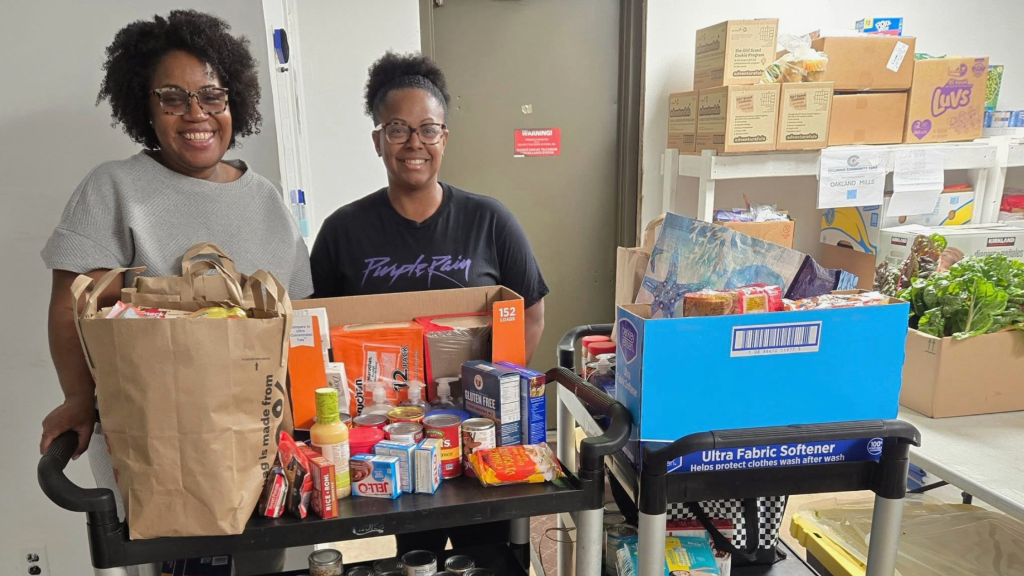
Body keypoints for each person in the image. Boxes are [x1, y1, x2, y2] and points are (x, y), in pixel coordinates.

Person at [39, 11, 310, 575]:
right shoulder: (114, 189)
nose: (196, 114)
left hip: (258, 441)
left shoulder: (268, 201)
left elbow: (300, 316)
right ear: (145, 105)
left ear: (235, 101)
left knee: (265, 564)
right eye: (173, 98)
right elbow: (72, 303)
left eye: (212, 95)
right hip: (157, 446)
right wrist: (76, 398)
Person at [309, 52, 549, 554]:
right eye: (397, 129)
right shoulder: (342, 232)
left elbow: (530, 310)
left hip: (476, 435)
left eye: (428, 129)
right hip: (386, 444)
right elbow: (316, 333)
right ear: (377, 140)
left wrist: (498, 397)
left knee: (488, 552)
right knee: (411, 554)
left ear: (445, 139)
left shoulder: (490, 220)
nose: (414, 143)